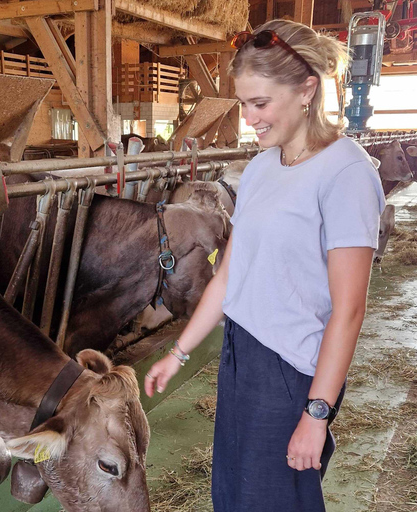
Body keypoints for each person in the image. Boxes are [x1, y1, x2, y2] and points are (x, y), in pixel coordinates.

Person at [144, 19, 386, 511]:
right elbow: (231, 274)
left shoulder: (347, 173)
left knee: (273, 499)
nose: (249, 118)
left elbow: (349, 311)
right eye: (244, 104)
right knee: (233, 495)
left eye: (260, 104)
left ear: (306, 91)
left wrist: (316, 415)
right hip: (241, 354)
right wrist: (180, 352)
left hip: (291, 372)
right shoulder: (259, 169)